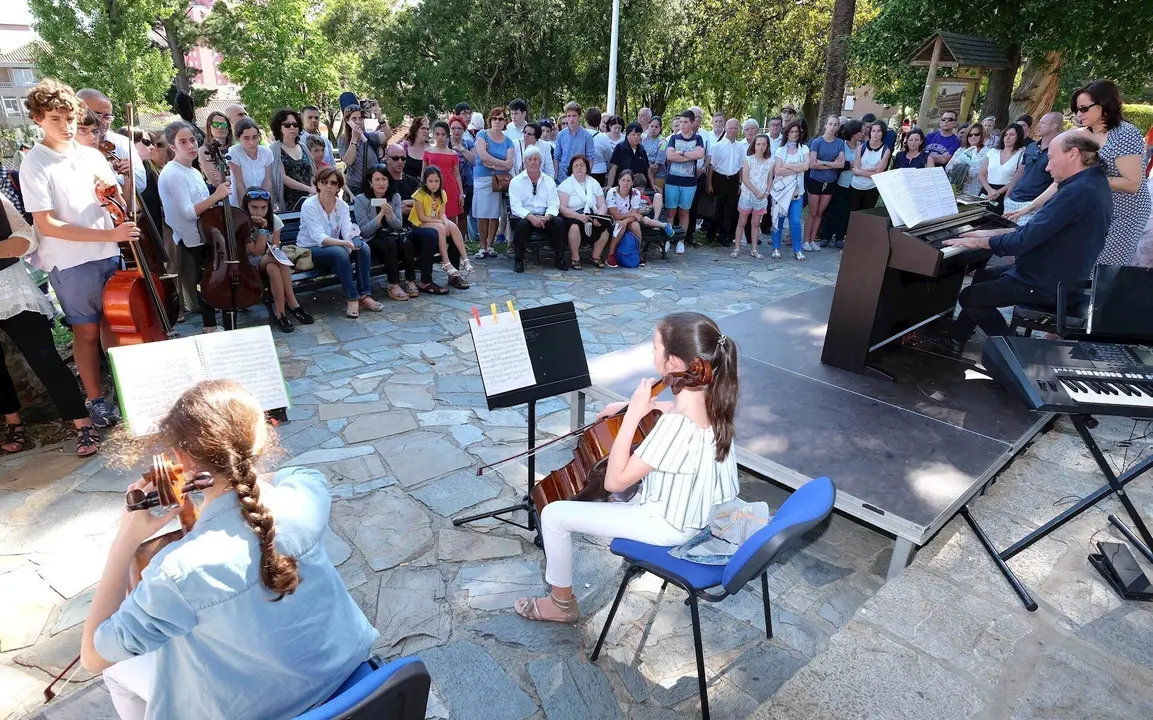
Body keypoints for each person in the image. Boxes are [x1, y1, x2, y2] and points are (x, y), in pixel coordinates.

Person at [82, 379, 377, 720]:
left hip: (262, 709)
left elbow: (92, 655)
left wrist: (125, 540)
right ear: (262, 438)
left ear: (180, 459)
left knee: (115, 672)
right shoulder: (306, 497)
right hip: (343, 678)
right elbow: (292, 475)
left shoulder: (176, 572)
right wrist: (228, 475)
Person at [513, 312, 740, 623]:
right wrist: (634, 408)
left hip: (670, 525)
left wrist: (632, 415)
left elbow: (615, 482)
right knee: (619, 489)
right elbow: (675, 408)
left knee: (553, 515)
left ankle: (560, 605)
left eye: (655, 346)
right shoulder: (715, 400)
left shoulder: (674, 427)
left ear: (673, 363)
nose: (652, 352)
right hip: (698, 511)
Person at [927, 132, 1112, 352]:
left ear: (1073, 154)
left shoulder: (1077, 192)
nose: (1047, 167)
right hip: (1056, 273)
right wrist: (984, 234)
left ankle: (1015, 349)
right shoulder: (1093, 183)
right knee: (983, 275)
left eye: (1051, 158)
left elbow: (1023, 241)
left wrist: (977, 242)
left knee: (969, 297)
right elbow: (1038, 231)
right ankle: (957, 338)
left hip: (1047, 283)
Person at [21, 78, 136, 428]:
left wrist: (125, 188)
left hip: (108, 252)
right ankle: (96, 399)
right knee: (86, 332)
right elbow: (48, 224)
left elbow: (118, 205)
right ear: (38, 119)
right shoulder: (35, 163)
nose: (66, 125)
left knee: (113, 327)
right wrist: (108, 233)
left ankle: (127, 391)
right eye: (56, 119)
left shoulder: (91, 156)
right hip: (71, 261)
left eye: (70, 118)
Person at [0, 195, 101, 456]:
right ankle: (13, 422)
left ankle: (81, 421)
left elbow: (26, 239)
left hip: (11, 289)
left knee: (45, 359)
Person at [1018, 81, 1151, 266]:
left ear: (1104, 105)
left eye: (1084, 109)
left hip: (1126, 213)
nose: (1079, 114)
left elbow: (1132, 183)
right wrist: (1028, 208)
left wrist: (1088, 179)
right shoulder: (1081, 135)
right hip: (1095, 207)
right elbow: (1063, 179)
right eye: (1076, 109)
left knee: (1103, 268)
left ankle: (1097, 295)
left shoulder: (1126, 133)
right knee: (1081, 262)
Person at [158, 120, 234, 333]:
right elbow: (188, 212)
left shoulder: (191, 170)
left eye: (192, 140)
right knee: (205, 280)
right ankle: (209, 326)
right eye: (183, 142)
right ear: (173, 146)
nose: (191, 145)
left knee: (209, 278)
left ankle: (214, 321)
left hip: (203, 233)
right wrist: (216, 195)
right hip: (191, 236)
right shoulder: (173, 173)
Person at [297, 167, 381, 318]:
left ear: (338, 186)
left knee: (364, 248)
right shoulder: (309, 205)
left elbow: (347, 229)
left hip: (334, 247)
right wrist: (345, 244)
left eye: (333, 183)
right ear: (318, 184)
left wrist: (353, 240)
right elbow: (320, 238)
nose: (329, 186)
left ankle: (364, 295)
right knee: (340, 252)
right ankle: (352, 298)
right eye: (325, 182)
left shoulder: (341, 205)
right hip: (310, 250)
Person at [384, 145, 467, 292]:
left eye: (403, 158)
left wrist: (412, 205)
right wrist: (416, 206)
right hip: (400, 229)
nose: (400, 161)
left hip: (420, 223)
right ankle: (425, 281)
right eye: (395, 158)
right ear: (386, 158)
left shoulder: (412, 182)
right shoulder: (384, 182)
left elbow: (425, 203)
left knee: (452, 228)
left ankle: (453, 274)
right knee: (431, 234)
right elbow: (400, 210)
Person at [243, 187, 312, 331]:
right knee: (278, 260)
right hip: (248, 263)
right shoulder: (241, 223)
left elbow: (275, 243)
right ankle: (293, 304)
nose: (259, 212)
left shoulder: (274, 220)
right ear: (246, 206)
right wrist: (263, 228)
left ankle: (280, 313)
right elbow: (256, 252)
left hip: (269, 261)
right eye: (254, 207)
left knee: (273, 267)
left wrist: (273, 248)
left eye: (263, 208)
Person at [353, 165, 417, 300]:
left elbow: (398, 225)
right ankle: (393, 285)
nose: (381, 183)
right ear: (370, 182)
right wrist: (380, 216)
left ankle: (410, 281)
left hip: (391, 235)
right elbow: (364, 231)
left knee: (407, 243)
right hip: (372, 239)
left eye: (384, 179)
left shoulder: (395, 197)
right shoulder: (361, 199)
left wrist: (389, 215)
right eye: (377, 179)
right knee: (389, 244)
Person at [76, 88, 147, 192]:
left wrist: (113, 177)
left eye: (107, 117)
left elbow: (140, 183)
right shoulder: (67, 144)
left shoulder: (122, 142)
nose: (104, 122)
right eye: (98, 116)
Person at [507, 147, 564, 273]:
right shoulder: (516, 181)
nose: (533, 162)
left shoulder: (549, 181)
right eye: (529, 159)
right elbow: (516, 207)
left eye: (536, 159)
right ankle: (518, 260)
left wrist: (548, 216)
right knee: (521, 225)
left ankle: (559, 258)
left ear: (540, 162)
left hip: (544, 217)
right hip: (524, 217)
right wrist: (531, 217)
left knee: (559, 222)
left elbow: (554, 204)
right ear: (525, 162)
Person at [410, 166, 472, 281]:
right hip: (420, 223)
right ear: (425, 181)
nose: (434, 184)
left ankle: (465, 259)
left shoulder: (442, 194)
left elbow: (442, 213)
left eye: (436, 181)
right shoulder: (419, 195)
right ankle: (445, 261)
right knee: (441, 228)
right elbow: (422, 217)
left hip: (435, 220)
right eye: (430, 181)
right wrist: (441, 222)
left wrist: (446, 222)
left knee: (453, 226)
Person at [1002, 112, 1063, 225]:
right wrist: (1007, 196)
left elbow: (1057, 181)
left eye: (1042, 123)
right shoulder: (1031, 147)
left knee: (1020, 238)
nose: (1038, 126)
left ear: (1054, 126)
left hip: (1033, 204)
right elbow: (1019, 172)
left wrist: (1041, 203)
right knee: (1004, 235)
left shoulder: (1061, 150)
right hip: (1012, 200)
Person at [602, 170, 669, 268]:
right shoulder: (612, 192)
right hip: (613, 220)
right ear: (619, 181)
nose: (625, 183)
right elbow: (615, 215)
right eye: (623, 180)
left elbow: (635, 216)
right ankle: (610, 255)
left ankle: (637, 253)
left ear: (632, 183)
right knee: (620, 226)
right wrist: (632, 214)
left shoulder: (635, 193)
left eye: (628, 181)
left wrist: (626, 219)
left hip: (628, 220)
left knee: (635, 225)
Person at [473, 107, 515, 257]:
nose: (497, 121)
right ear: (490, 120)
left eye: (501, 118)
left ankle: (491, 245)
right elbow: (482, 156)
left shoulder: (508, 141)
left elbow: (509, 162)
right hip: (483, 178)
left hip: (499, 181)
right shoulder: (482, 134)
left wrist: (494, 163)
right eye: (494, 118)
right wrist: (501, 163)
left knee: (495, 213)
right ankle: (482, 245)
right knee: (482, 213)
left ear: (505, 121)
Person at [557, 155, 611, 269]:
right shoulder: (565, 185)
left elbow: (601, 203)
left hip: (593, 214)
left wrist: (599, 216)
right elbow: (562, 207)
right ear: (571, 168)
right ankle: (575, 258)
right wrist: (579, 216)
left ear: (587, 167)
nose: (579, 168)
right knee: (575, 226)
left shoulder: (594, 183)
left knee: (606, 225)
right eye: (575, 165)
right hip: (573, 215)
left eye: (582, 165)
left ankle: (596, 256)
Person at [665, 109, 706, 255]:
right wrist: (689, 155)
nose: (682, 125)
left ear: (692, 122)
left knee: (684, 211)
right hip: (672, 180)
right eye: (680, 122)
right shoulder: (674, 138)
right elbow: (669, 155)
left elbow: (700, 154)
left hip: (689, 182)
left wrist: (680, 154)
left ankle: (681, 241)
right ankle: (668, 239)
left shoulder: (698, 139)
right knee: (670, 212)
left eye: (685, 122)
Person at [804, 114, 846, 252]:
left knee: (820, 213)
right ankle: (806, 240)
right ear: (825, 125)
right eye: (830, 124)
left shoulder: (840, 143)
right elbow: (812, 164)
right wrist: (832, 164)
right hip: (816, 180)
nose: (832, 127)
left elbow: (841, 165)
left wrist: (824, 162)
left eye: (835, 124)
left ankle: (812, 240)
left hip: (830, 182)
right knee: (812, 212)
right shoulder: (817, 142)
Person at [770, 120, 810, 261]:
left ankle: (797, 249)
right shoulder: (781, 150)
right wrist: (796, 168)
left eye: (796, 132)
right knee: (778, 220)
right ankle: (776, 247)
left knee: (795, 221)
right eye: (791, 132)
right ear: (787, 133)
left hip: (797, 192)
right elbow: (778, 170)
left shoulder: (804, 149)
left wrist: (787, 165)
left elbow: (806, 167)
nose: (794, 134)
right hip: (780, 192)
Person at [824, 120, 863, 249]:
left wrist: (849, 165)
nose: (863, 133)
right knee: (834, 210)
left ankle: (840, 237)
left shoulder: (861, 146)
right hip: (840, 182)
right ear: (854, 133)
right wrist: (851, 165)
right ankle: (826, 236)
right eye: (860, 131)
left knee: (846, 212)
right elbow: (838, 164)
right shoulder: (841, 145)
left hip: (854, 183)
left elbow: (862, 164)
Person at [732, 134, 772, 259]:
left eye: (764, 144)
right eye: (758, 144)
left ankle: (754, 249)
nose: (761, 147)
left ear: (767, 146)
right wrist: (755, 191)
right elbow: (745, 178)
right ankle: (737, 248)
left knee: (755, 224)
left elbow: (770, 178)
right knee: (742, 221)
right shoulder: (748, 160)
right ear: (754, 145)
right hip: (747, 195)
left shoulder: (770, 161)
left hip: (761, 197)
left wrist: (766, 193)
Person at [705, 118, 745, 245]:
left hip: (733, 180)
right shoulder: (717, 146)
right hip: (719, 178)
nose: (733, 131)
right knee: (716, 207)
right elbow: (711, 166)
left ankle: (724, 236)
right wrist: (709, 183)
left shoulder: (740, 147)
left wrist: (740, 184)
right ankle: (710, 233)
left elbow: (740, 167)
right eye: (730, 128)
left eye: (735, 128)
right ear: (726, 129)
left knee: (729, 209)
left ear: (738, 130)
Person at [269, 108, 316, 212]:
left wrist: (313, 189)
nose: (292, 128)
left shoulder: (303, 147)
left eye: (295, 124)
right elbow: (283, 178)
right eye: (287, 125)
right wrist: (309, 189)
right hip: (289, 203)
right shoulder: (274, 149)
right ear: (279, 127)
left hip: (310, 200)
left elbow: (312, 172)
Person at [337, 104, 384, 197]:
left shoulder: (370, 136)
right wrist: (354, 139)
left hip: (372, 186)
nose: (358, 122)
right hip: (354, 187)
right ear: (347, 120)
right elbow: (349, 161)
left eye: (360, 118)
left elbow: (387, 135)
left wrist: (381, 119)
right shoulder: (343, 139)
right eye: (354, 118)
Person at [978, 123, 1025, 214]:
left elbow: (1017, 178)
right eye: (1006, 135)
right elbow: (981, 174)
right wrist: (990, 190)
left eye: (1012, 135)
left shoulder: (1022, 154)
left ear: (1018, 136)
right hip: (986, 190)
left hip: (1005, 192)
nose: (1007, 138)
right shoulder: (993, 152)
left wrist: (997, 192)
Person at [227, 118, 274, 207]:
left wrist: (264, 203)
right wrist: (244, 207)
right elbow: (239, 182)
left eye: (255, 137)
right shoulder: (234, 152)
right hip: (239, 201)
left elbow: (267, 180)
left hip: (261, 201)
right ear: (238, 138)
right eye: (246, 138)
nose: (251, 142)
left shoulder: (266, 152)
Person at [849, 120, 891, 215]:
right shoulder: (861, 148)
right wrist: (873, 169)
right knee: (852, 215)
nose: (875, 134)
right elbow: (855, 169)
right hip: (856, 186)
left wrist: (860, 171)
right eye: (873, 131)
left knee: (866, 216)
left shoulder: (885, 151)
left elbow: (878, 174)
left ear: (883, 133)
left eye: (879, 131)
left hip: (871, 188)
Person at [449, 118, 476, 243]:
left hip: (467, 183)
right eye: (454, 128)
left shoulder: (469, 144)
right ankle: (450, 241)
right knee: (450, 214)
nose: (456, 131)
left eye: (459, 128)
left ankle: (462, 241)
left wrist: (461, 149)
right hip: (449, 183)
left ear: (464, 130)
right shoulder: (445, 143)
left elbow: (475, 160)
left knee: (463, 215)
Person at [556, 102, 595, 184]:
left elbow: (590, 158)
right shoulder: (560, 135)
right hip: (563, 177)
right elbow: (556, 158)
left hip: (580, 177)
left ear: (579, 116)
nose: (571, 119)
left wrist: (587, 177)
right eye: (568, 116)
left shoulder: (587, 136)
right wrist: (555, 177)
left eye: (574, 116)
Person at [608, 122, 653, 191]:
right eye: (633, 134)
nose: (636, 137)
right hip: (623, 186)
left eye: (638, 135)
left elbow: (648, 168)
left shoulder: (641, 149)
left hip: (639, 187)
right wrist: (609, 185)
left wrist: (653, 184)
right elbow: (613, 167)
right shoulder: (620, 147)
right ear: (627, 135)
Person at [199, 112, 232, 188]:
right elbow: (216, 181)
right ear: (209, 127)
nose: (220, 127)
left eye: (224, 125)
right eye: (215, 125)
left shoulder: (235, 149)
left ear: (228, 129)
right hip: (215, 193)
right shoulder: (204, 150)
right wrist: (236, 177)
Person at [641, 117, 668, 192]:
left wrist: (653, 168)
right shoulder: (642, 138)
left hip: (658, 173)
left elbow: (658, 164)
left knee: (657, 194)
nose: (653, 129)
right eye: (652, 126)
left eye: (656, 127)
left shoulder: (663, 141)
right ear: (648, 126)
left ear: (660, 128)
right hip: (643, 171)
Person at [586, 107, 612, 185]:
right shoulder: (604, 137)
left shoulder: (581, 135)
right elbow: (608, 155)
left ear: (586, 120)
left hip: (584, 170)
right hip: (600, 172)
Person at [402, 115, 430, 180]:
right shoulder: (404, 147)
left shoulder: (430, 150)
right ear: (416, 129)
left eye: (427, 129)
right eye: (423, 128)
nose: (426, 131)